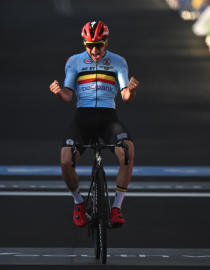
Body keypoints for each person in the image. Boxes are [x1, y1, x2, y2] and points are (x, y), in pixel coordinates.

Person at [49, 21, 139, 229]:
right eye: (90, 45)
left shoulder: (118, 62)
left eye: (99, 44)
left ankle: (116, 207)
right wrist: (58, 93)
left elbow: (125, 96)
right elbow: (67, 96)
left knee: (128, 152)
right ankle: (79, 203)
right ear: (84, 43)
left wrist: (131, 91)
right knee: (65, 160)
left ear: (106, 41)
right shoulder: (74, 61)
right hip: (84, 118)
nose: (95, 49)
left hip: (108, 117)